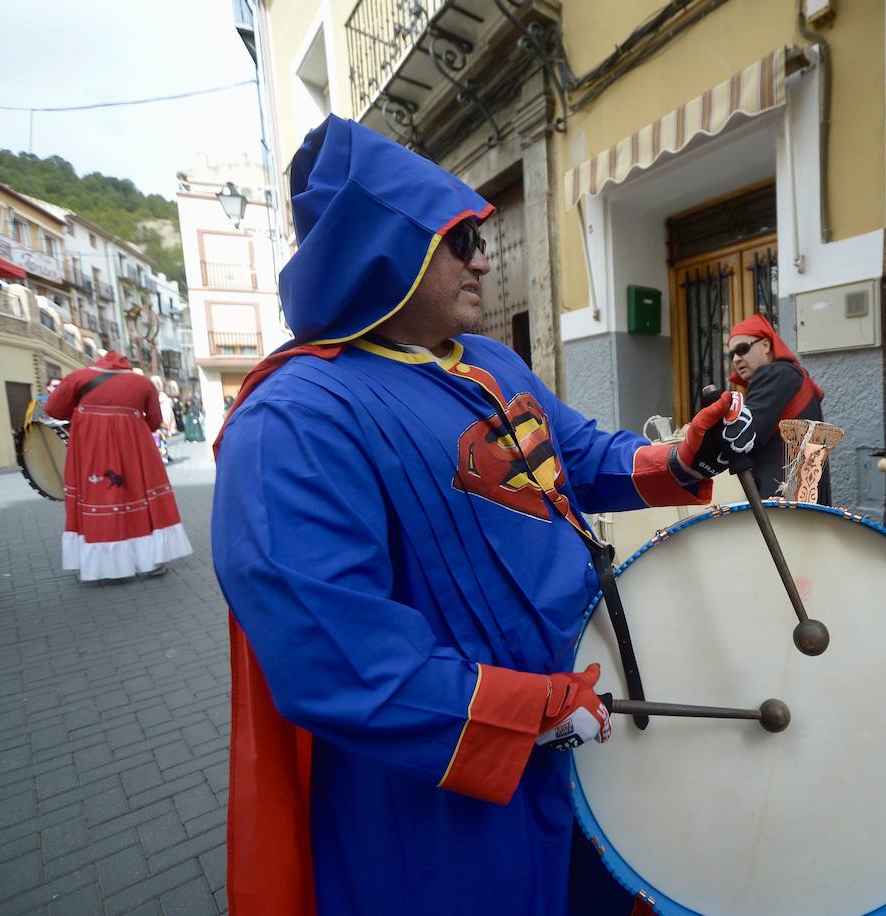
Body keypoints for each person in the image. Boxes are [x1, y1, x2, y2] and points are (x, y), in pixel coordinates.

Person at [210, 114, 754, 916]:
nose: (483, 258)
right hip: (438, 801)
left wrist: (681, 459)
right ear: (379, 248)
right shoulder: (295, 417)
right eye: (458, 238)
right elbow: (333, 651)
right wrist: (524, 714)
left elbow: (576, 456)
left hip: (587, 736)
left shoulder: (491, 361)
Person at [42, 352, 193, 580]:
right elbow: (153, 421)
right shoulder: (142, 383)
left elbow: (53, 409)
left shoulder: (78, 378)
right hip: (135, 449)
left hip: (90, 449)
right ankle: (149, 562)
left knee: (99, 498)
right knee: (139, 496)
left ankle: (103, 567)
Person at [725, 313, 829, 502]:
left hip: (781, 495)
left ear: (765, 345)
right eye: (731, 354)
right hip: (802, 493)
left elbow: (743, 434)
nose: (736, 359)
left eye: (742, 349)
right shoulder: (790, 375)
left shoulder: (775, 374)